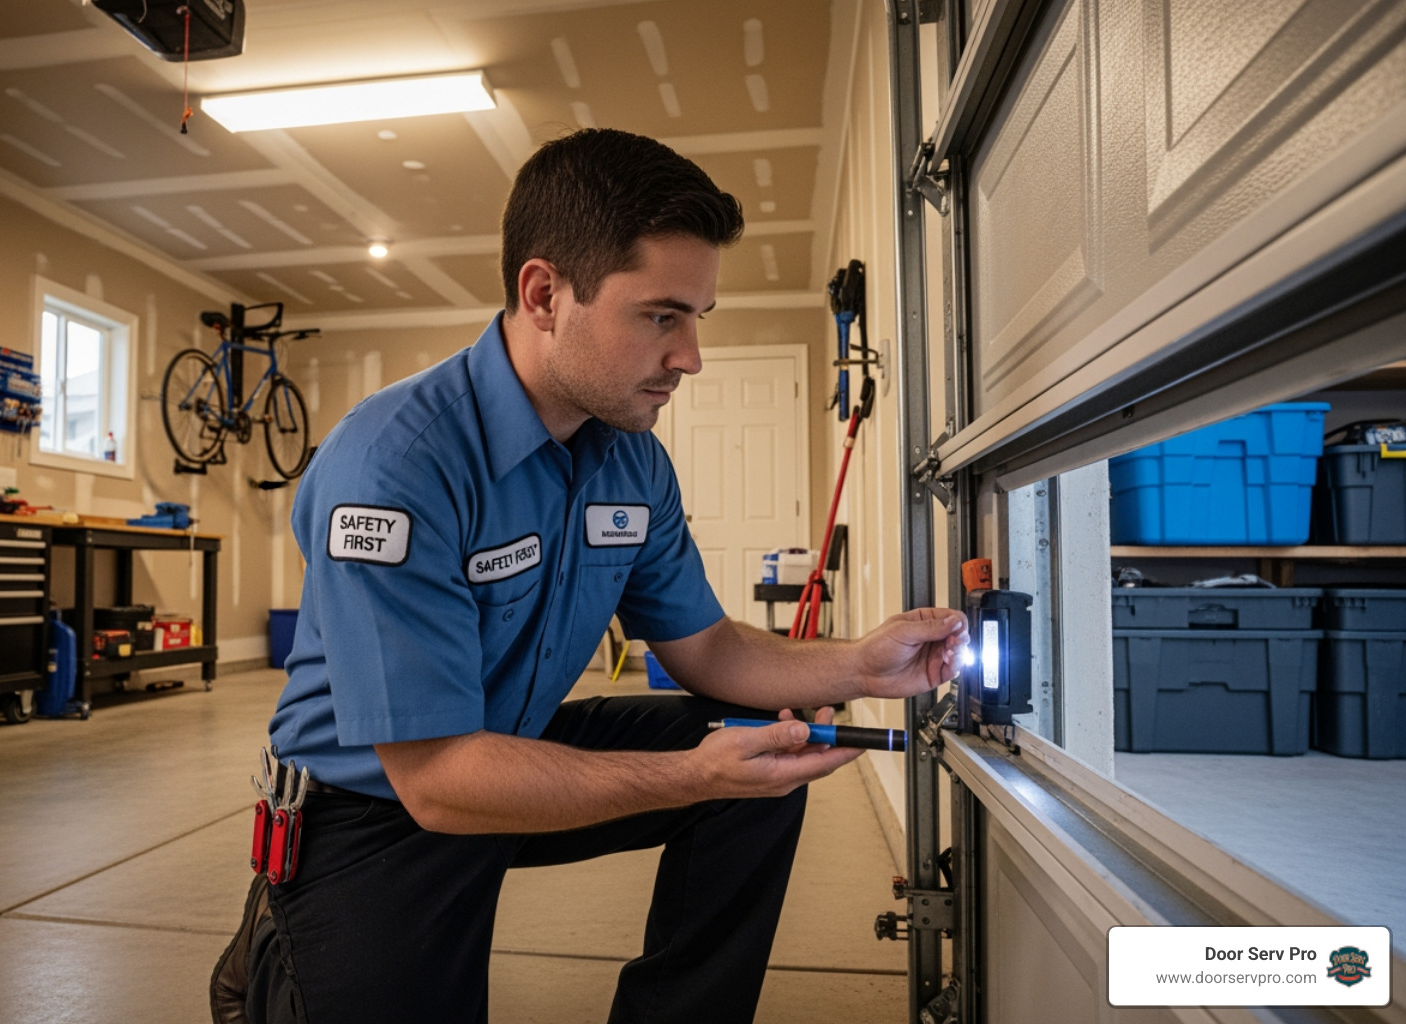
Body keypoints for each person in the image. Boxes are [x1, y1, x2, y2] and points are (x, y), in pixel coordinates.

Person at [237, 128, 967, 1024]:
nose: (690, 356)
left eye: (698, 319)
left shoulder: (631, 461)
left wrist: (861, 666)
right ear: (545, 294)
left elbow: (706, 647)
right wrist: (694, 775)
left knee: (767, 756)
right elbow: (434, 781)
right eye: (662, 315)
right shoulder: (395, 465)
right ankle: (276, 958)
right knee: (719, 772)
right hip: (376, 806)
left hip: (511, 743)